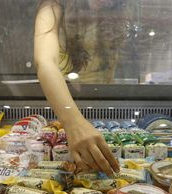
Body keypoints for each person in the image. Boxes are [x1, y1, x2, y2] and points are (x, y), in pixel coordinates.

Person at [34, 0, 128, 175]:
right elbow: (46, 62)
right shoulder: (53, 6)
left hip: (107, 112)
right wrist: (73, 123)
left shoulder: (118, 9)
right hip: (63, 110)